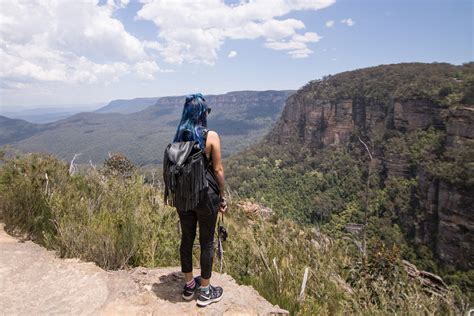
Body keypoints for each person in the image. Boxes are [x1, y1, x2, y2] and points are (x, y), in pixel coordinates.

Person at [172, 93, 228, 307]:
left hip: (184, 197)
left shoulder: (177, 137)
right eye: (207, 111)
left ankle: (189, 287)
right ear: (202, 113)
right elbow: (218, 169)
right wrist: (222, 196)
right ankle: (205, 291)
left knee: (186, 238)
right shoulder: (210, 136)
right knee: (207, 241)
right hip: (206, 196)